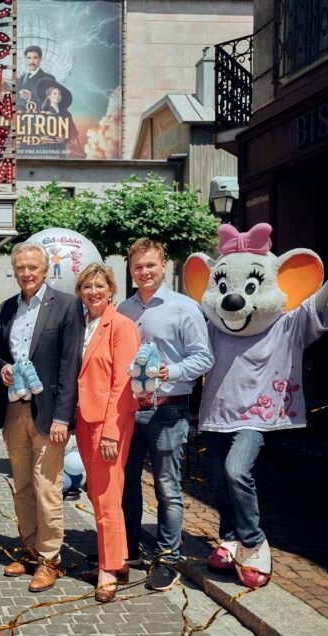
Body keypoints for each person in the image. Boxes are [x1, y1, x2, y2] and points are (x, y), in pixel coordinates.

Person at [118, 238, 213, 592]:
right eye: (138, 267)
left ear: (164, 265)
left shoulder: (184, 308)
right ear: (131, 270)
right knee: (126, 484)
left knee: (168, 487)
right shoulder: (124, 309)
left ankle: (167, 557)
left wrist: (169, 371)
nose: (144, 272)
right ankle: (127, 549)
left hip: (168, 408)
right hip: (131, 410)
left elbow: (204, 358)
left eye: (150, 265)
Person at [0, 243, 81, 593]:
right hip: (14, 408)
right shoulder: (7, 307)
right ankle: (29, 551)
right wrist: (2, 369)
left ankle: (49, 559)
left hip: (48, 413)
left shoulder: (66, 305)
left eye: (32, 267)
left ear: (45, 270)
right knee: (23, 487)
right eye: (20, 268)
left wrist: (63, 417)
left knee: (47, 488)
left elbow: (70, 365)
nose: (26, 273)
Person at [75, 263, 140, 602]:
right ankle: (118, 558)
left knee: (107, 496)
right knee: (98, 492)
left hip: (108, 421)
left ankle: (109, 568)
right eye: (87, 286)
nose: (94, 292)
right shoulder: (83, 324)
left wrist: (112, 431)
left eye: (100, 285)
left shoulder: (122, 325)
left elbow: (123, 383)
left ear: (112, 289)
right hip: (85, 418)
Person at [16, 45, 55, 111]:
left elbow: (51, 104)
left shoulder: (49, 79)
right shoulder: (21, 79)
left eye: (35, 58)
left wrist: (30, 97)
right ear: (25, 59)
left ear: (40, 59)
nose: (32, 61)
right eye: (29, 58)